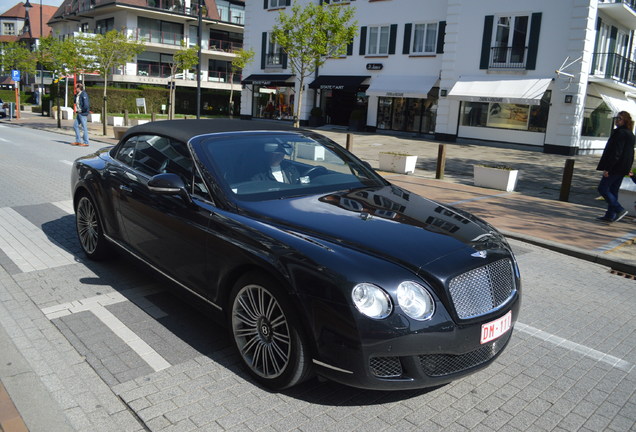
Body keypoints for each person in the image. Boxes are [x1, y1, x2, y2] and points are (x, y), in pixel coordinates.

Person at [596, 110, 635, 223]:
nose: (617, 120)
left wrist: (608, 168)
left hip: (615, 167)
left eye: (619, 118)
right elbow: (630, 153)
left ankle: (619, 209)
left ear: (625, 121)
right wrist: (628, 168)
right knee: (613, 191)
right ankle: (610, 215)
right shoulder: (630, 134)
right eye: (616, 118)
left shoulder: (620, 133)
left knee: (603, 188)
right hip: (623, 167)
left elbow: (616, 152)